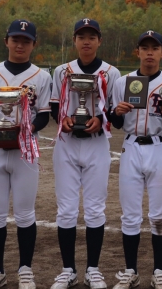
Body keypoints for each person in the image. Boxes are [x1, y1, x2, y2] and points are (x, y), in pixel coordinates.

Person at [0, 19, 52, 289]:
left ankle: (25, 270)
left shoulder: (41, 77)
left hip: (24, 154)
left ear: (34, 44)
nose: (20, 45)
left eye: (26, 41)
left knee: (25, 214)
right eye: (16, 39)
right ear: (6, 40)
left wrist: (26, 131)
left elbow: (44, 115)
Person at [49, 18, 121, 289]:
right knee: (66, 210)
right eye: (82, 37)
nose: (87, 41)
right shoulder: (62, 71)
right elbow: (55, 106)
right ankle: (68, 270)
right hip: (67, 144)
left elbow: (113, 109)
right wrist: (64, 119)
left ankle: (93, 269)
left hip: (97, 145)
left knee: (94, 209)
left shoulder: (111, 72)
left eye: (92, 37)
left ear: (99, 41)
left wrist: (101, 120)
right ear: (75, 40)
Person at [109, 30, 162, 289]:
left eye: (154, 48)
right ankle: (131, 271)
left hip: (159, 148)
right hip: (131, 147)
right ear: (137, 52)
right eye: (145, 48)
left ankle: (159, 271)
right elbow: (116, 123)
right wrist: (117, 112)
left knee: (160, 215)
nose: (150, 52)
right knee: (130, 215)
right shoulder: (123, 82)